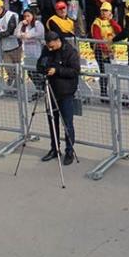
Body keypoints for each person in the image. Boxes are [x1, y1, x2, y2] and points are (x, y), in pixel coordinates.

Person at [37, 31, 80, 165]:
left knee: (67, 123)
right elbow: (39, 65)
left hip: (66, 92)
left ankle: (69, 151)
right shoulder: (46, 50)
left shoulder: (70, 52)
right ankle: (54, 149)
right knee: (52, 121)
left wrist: (57, 71)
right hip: (50, 90)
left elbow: (75, 71)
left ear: (57, 41)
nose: (50, 49)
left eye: (52, 46)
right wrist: (43, 68)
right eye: (48, 46)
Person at [0, 0, 21, 90]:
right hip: (3, 46)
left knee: (17, 67)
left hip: (15, 46)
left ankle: (17, 85)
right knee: (8, 67)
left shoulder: (11, 16)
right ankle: (13, 82)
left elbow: (10, 31)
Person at [90, 2, 121, 99]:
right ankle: (103, 93)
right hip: (100, 51)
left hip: (111, 51)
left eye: (106, 11)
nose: (103, 13)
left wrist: (111, 21)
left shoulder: (111, 21)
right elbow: (97, 38)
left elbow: (119, 31)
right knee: (103, 72)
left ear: (110, 12)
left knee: (110, 72)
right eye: (102, 10)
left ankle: (109, 91)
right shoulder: (97, 22)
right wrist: (105, 50)